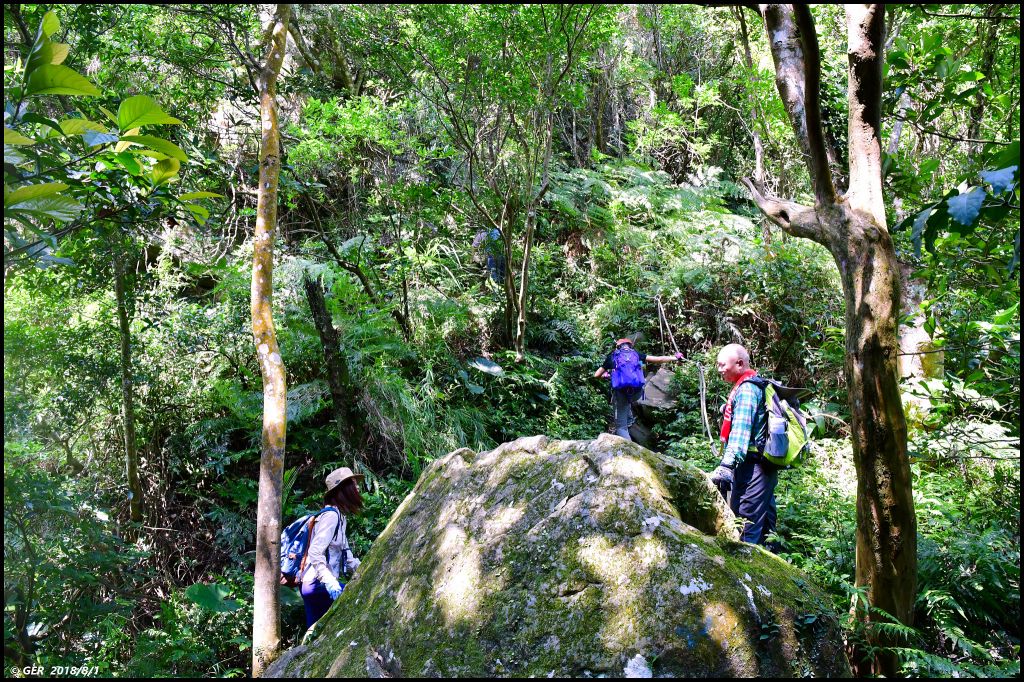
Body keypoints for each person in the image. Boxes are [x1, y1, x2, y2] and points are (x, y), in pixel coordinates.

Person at [709, 344, 779, 547]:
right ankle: (771, 565)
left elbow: (740, 433)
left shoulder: (747, 389)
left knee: (744, 520)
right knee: (764, 519)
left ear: (739, 363)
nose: (719, 369)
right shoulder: (750, 384)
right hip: (762, 466)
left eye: (722, 364)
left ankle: (747, 569)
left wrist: (726, 466)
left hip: (753, 466)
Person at [300, 466, 364, 628]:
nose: (357, 488)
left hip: (315, 585)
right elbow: (315, 552)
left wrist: (364, 570)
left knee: (314, 635)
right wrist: (330, 582)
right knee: (357, 605)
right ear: (344, 490)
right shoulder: (331, 517)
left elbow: (347, 554)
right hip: (317, 584)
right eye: (353, 484)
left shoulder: (340, 517)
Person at [594, 338, 684, 441]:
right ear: (630, 346)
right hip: (637, 393)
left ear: (618, 347)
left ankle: (631, 450)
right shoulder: (636, 355)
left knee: (620, 427)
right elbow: (658, 359)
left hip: (621, 394)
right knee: (627, 402)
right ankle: (629, 420)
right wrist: (675, 357)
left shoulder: (613, 357)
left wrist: (606, 375)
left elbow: (596, 375)